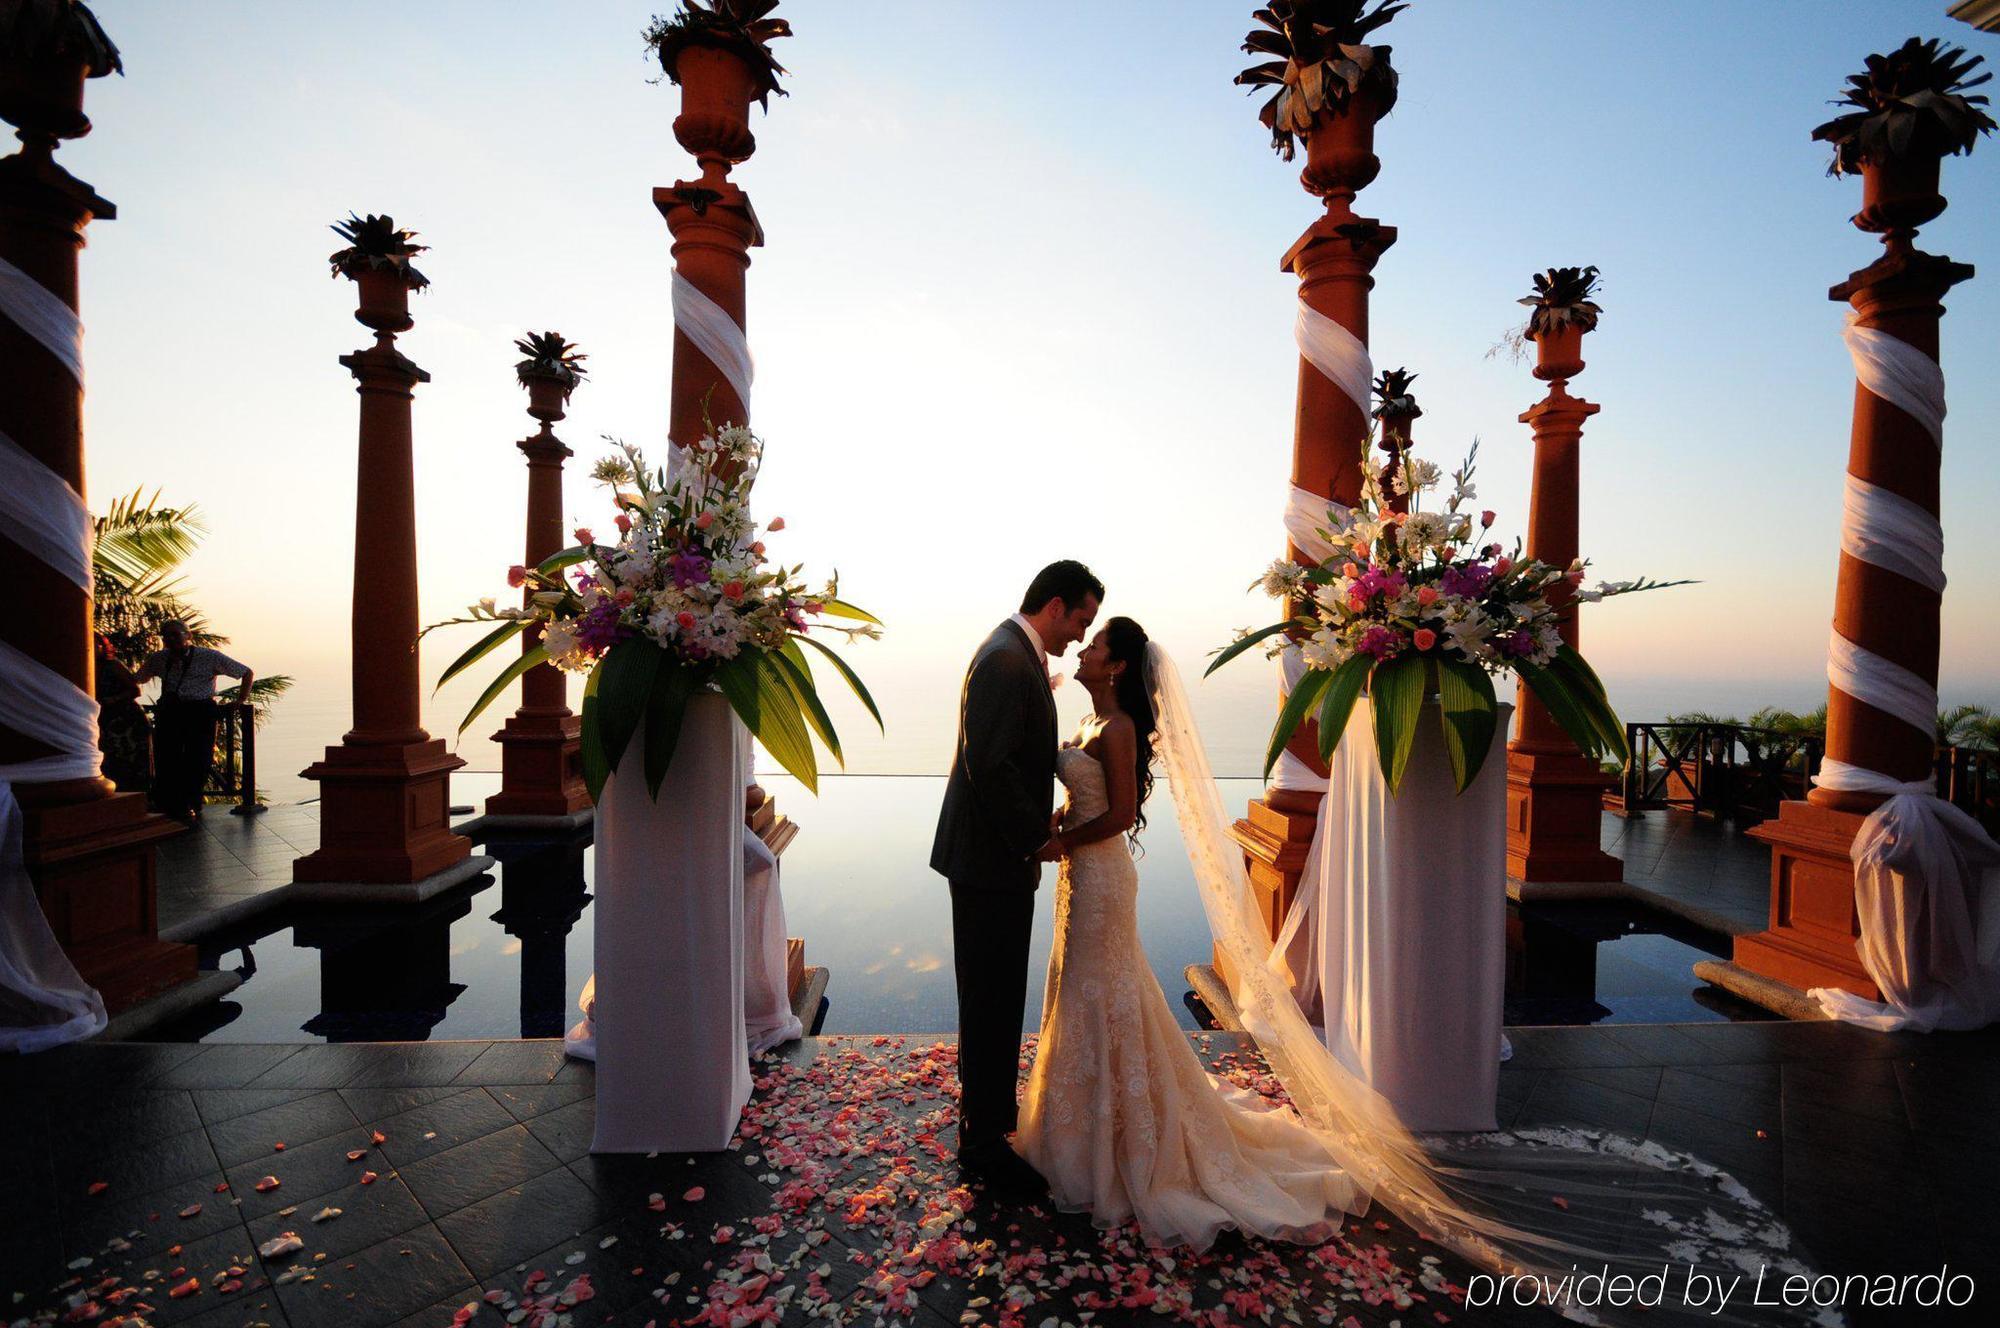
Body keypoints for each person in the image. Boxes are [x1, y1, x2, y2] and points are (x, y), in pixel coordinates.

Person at [1014, 617, 1361, 1249]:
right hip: (1080, 878)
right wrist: (1060, 822)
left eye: (1096, 646)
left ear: (1116, 665)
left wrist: (1061, 841)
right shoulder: (1090, 724)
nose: (1085, 651)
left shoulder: (1117, 728)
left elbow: (1119, 815)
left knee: (1105, 990)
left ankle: (1126, 1141)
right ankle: (1087, 1126)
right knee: (1084, 989)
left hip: (1101, 877)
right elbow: (1088, 799)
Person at [929, 559, 1101, 1198]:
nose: (1081, 637)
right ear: (1055, 606)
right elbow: (991, 765)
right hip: (989, 860)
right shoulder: (1006, 660)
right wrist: (1038, 837)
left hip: (991, 858)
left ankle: (988, 1126)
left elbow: (1008, 763)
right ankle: (981, 1146)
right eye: (1080, 620)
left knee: (994, 996)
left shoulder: (1011, 653)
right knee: (991, 998)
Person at [133, 620, 254, 823]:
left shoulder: (208, 656)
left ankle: (190, 803)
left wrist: (240, 701)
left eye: (174, 635)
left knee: (199, 758)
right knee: (167, 759)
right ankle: (173, 804)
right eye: (166, 636)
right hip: (171, 712)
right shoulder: (159, 659)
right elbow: (139, 678)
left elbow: (246, 672)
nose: (170, 640)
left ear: (188, 636)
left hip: (200, 712)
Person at [93, 634, 152, 794]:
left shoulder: (112, 665)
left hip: (127, 721)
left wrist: (113, 699)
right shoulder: (85, 668)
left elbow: (135, 690)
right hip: (104, 720)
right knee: (109, 762)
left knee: (131, 762)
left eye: (96, 644)